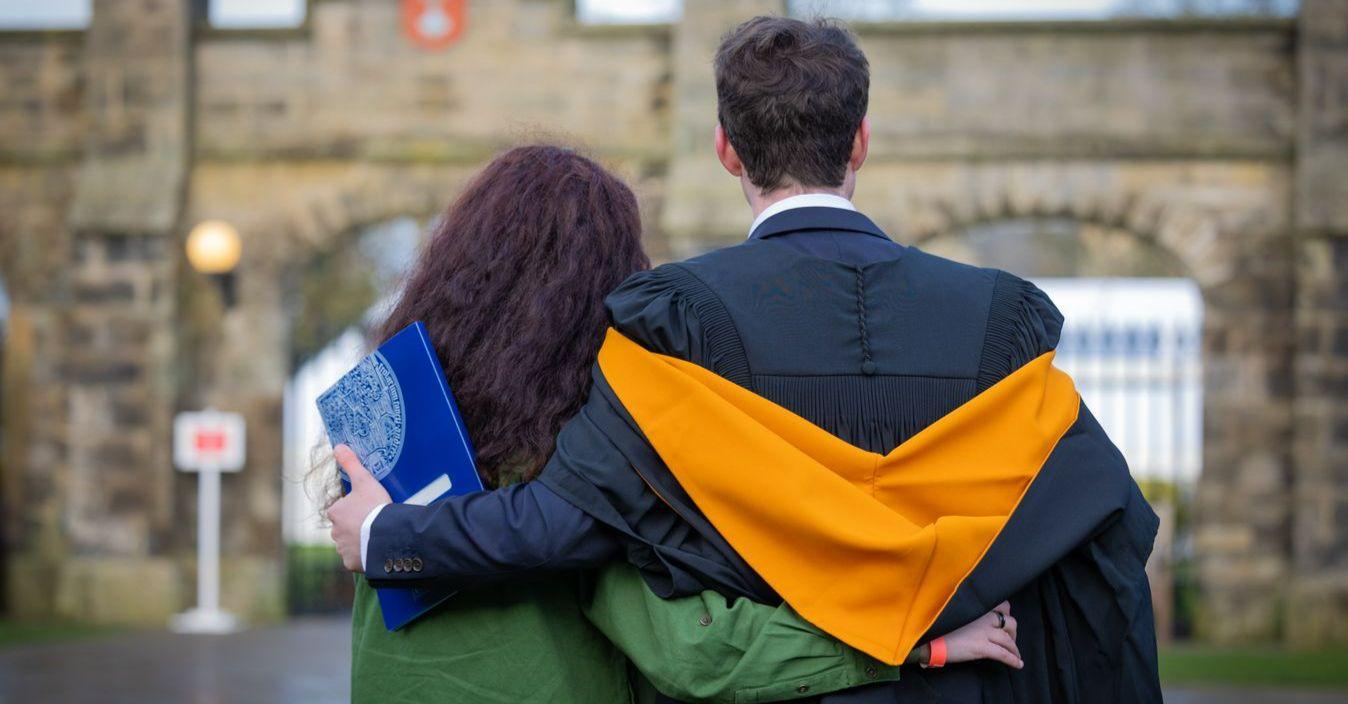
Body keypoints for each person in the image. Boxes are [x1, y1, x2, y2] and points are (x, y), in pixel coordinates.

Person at [332, 16, 1162, 704]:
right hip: (969, 677)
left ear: (727, 148)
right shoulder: (1001, 321)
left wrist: (386, 535)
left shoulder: (676, 323)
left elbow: (568, 522)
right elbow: (1103, 532)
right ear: (860, 142)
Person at [336, 144, 1021, 704]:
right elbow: (695, 653)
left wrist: (380, 534)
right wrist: (911, 644)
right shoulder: (581, 451)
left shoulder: (389, 425)